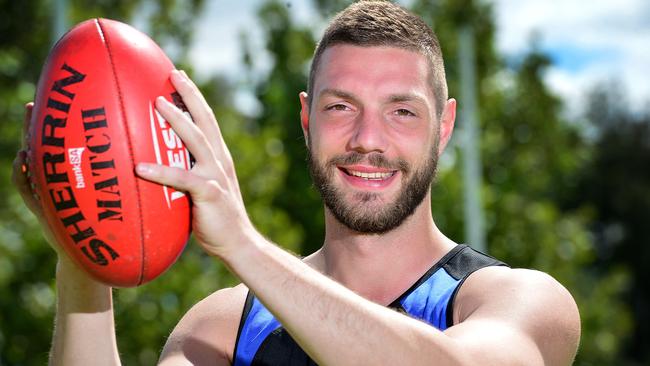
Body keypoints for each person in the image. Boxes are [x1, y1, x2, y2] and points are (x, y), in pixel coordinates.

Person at [12, 1, 581, 365]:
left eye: (402, 112)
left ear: (445, 127)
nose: (367, 139)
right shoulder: (225, 326)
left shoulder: (516, 301)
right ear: (307, 121)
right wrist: (81, 244)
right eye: (341, 108)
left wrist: (242, 242)